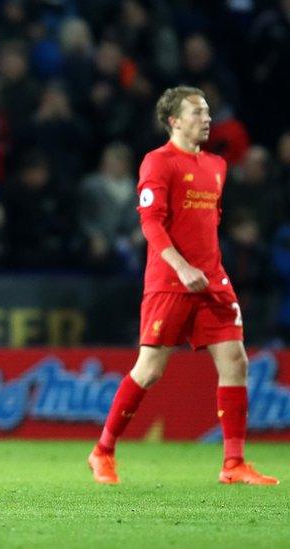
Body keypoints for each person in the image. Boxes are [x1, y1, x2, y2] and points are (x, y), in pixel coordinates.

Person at [87, 86, 279, 486]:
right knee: (150, 369)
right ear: (174, 120)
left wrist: (206, 268)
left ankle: (234, 463)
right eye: (196, 112)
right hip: (170, 281)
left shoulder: (217, 165)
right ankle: (102, 450)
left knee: (236, 362)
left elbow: (208, 223)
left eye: (207, 112)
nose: (206, 119)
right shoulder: (157, 163)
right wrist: (181, 266)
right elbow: (151, 223)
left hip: (213, 280)